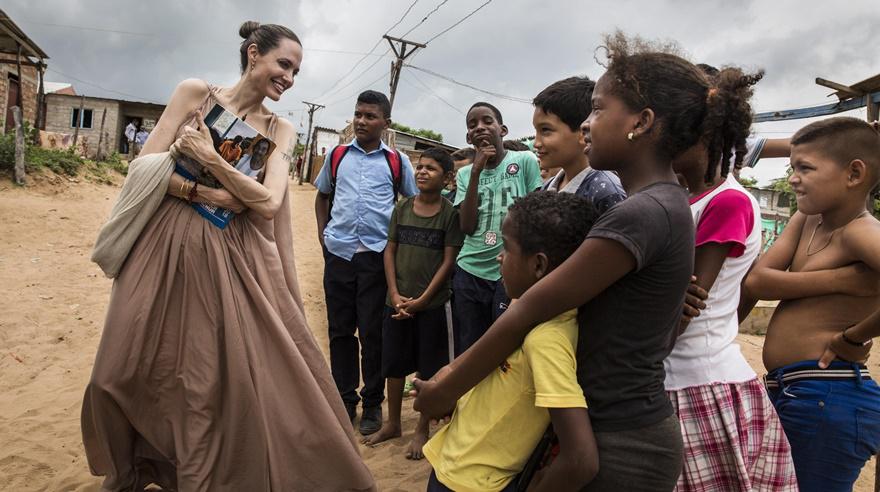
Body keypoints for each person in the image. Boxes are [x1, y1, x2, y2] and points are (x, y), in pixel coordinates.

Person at [415, 32, 761, 491]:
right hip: (622, 426)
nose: (586, 125)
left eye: (598, 110)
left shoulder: (641, 214)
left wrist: (448, 386)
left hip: (624, 443)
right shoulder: (662, 204)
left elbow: (530, 308)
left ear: (642, 121)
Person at [81, 21, 375, 491]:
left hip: (229, 261)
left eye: (296, 71)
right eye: (284, 64)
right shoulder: (195, 93)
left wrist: (210, 159)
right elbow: (143, 165)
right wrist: (208, 192)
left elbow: (268, 202)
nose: (290, 78)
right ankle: (130, 468)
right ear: (254, 54)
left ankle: (197, 474)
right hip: (158, 247)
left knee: (204, 382)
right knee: (117, 368)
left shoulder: (281, 127)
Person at [667, 66, 798, 490]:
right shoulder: (683, 197)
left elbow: (686, 304)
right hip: (677, 377)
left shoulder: (728, 202)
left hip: (696, 383)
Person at [423, 191, 600, 492]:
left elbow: (581, 459)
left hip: (472, 483)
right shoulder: (533, 316)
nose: (499, 256)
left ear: (539, 265)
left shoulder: (547, 339)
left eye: (506, 247)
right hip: (459, 469)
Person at [741, 117, 880, 492]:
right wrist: (841, 281)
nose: (793, 178)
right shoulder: (808, 219)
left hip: (829, 395)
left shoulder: (862, 232)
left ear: (854, 174)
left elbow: (770, 280)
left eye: (805, 168)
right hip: (798, 392)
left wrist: (854, 337)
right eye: (791, 168)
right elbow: (757, 280)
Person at [314, 90, 418, 435]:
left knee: (373, 333)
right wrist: (323, 236)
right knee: (340, 331)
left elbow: (411, 205)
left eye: (370, 116)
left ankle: (372, 402)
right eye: (358, 114)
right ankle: (345, 398)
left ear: (385, 123)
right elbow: (322, 196)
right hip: (340, 255)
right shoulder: (338, 155)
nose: (361, 121)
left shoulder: (396, 162)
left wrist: (400, 250)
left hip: (377, 258)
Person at [362, 148, 462, 459]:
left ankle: (421, 428)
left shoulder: (450, 214)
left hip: (431, 306)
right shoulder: (402, 208)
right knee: (393, 364)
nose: (422, 172)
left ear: (447, 178)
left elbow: (448, 261)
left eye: (431, 168)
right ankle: (393, 423)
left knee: (429, 368)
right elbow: (389, 252)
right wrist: (394, 294)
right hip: (397, 303)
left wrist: (423, 300)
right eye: (419, 167)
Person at [452, 102, 543, 355]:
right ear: (468, 137)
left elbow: (537, 214)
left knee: (507, 349)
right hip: (470, 271)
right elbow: (467, 226)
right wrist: (476, 171)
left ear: (502, 129)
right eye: (473, 125)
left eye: (487, 121)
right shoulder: (465, 174)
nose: (480, 127)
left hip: (510, 272)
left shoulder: (524, 160)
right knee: (470, 346)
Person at [533, 76, 626, 211]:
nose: (536, 143)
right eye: (536, 131)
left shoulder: (606, 192)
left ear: (583, 133)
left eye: (545, 130)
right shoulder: (547, 189)